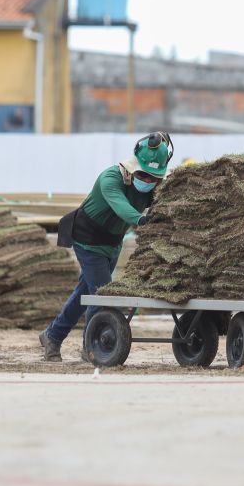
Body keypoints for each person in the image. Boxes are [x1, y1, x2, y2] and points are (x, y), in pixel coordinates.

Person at [40, 132, 173, 362]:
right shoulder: (110, 178)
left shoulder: (151, 189)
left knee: (86, 292)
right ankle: (90, 347)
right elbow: (121, 206)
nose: (149, 181)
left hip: (112, 244)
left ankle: (52, 335)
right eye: (145, 175)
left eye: (154, 178)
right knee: (102, 293)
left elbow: (162, 204)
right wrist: (141, 220)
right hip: (87, 240)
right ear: (133, 168)